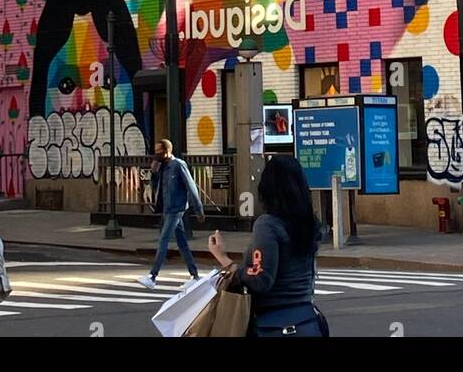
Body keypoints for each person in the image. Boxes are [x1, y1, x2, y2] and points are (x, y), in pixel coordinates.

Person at [208, 154, 327, 337]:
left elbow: (260, 279)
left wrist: (224, 259)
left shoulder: (268, 225)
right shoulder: (310, 224)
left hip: (272, 325)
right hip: (306, 320)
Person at [138, 138, 204, 290]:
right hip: (167, 209)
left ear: (167, 151)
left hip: (177, 208)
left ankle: (153, 276)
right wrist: (154, 173)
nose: (156, 155)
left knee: (163, 239)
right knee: (182, 243)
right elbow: (157, 188)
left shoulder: (178, 165)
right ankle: (194, 276)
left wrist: (198, 209)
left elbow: (191, 186)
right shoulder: (162, 167)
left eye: (159, 151)